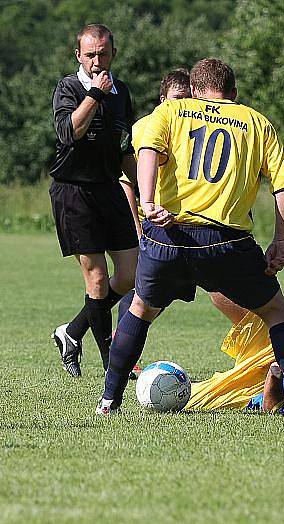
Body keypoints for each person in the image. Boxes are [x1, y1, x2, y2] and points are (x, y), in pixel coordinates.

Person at [96, 58, 284, 420]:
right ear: (233, 92)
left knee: (140, 308)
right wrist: (281, 240)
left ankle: (108, 401)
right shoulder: (256, 121)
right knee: (276, 313)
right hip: (225, 242)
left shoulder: (173, 111)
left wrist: (149, 202)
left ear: (196, 91)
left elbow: (148, 150)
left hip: (169, 236)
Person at [50, 24, 139, 377]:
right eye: (90, 55)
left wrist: (148, 191)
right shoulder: (68, 88)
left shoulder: (123, 93)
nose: (97, 61)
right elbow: (69, 132)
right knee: (98, 279)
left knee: (131, 274)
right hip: (73, 190)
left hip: (109, 188)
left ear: (113, 53)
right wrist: (95, 95)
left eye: (103, 53)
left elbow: (123, 148)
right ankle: (112, 367)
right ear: (78, 56)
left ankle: (71, 332)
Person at [117, 69, 192, 325]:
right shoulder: (145, 128)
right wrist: (138, 231)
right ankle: (117, 349)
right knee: (144, 295)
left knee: (160, 294)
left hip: (183, 224)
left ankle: (76, 330)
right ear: (162, 100)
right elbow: (127, 183)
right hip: (152, 225)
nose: (183, 104)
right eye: (177, 97)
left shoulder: (195, 129)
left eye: (188, 98)